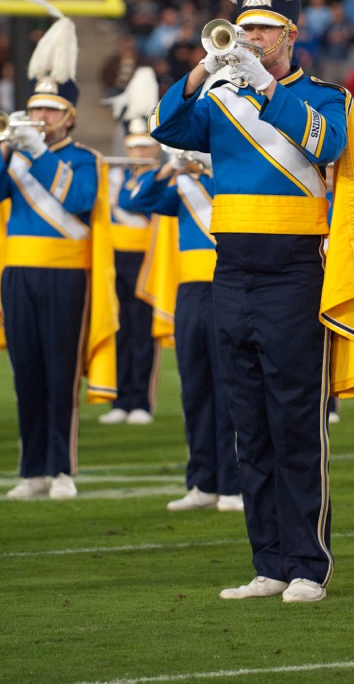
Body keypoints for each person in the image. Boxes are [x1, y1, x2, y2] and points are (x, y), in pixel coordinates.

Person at [149, 0, 354, 602]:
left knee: (292, 420)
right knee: (245, 422)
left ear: (290, 36)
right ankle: (268, 561)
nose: (248, 40)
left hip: (291, 276)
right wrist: (203, 69)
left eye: (261, 32)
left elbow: (325, 145)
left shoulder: (322, 97)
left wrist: (264, 85)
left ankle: (308, 564)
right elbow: (169, 126)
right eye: (242, 30)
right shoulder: (219, 97)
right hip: (232, 273)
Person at [0, 0, 118, 500]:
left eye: (49, 112)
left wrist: (38, 155)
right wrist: (4, 155)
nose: (41, 119)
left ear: (68, 117)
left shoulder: (83, 159)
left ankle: (62, 469)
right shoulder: (15, 157)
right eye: (35, 111)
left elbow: (78, 201)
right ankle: (31, 470)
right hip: (17, 274)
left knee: (60, 373)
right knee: (25, 371)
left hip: (65, 274)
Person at [118, 143, 242, 512]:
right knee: (196, 386)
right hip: (190, 291)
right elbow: (140, 201)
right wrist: (168, 167)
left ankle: (233, 484)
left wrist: (211, 167)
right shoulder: (182, 186)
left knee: (231, 387)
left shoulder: (234, 179)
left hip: (229, 285)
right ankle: (202, 482)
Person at [99, 68, 163, 425]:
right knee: (120, 330)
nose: (139, 151)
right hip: (117, 261)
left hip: (147, 259)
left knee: (142, 333)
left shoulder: (154, 177)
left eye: (145, 146)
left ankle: (142, 400)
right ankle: (120, 400)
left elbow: (135, 203)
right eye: (135, 146)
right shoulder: (114, 175)